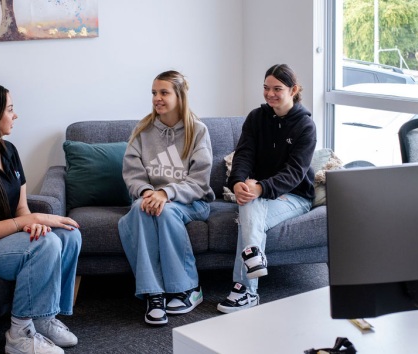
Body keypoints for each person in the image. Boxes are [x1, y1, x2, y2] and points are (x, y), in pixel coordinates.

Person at [0, 83, 82, 354]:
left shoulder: (8, 151)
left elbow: (21, 208)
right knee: (46, 244)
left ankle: (44, 318)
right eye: (10, 109)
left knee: (69, 235)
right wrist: (28, 222)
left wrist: (31, 221)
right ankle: (19, 335)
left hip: (5, 238)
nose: (15, 115)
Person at [216, 64, 316, 313]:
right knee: (250, 202)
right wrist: (238, 182)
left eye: (277, 89)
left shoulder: (305, 126)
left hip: (295, 196)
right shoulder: (256, 118)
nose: (270, 94)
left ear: (293, 90)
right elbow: (244, 155)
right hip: (259, 194)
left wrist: (261, 188)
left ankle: (245, 289)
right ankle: (252, 264)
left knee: (251, 205)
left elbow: (295, 172)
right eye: (266, 88)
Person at [118, 70, 215, 326]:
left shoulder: (198, 131)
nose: (156, 98)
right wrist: (148, 193)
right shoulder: (143, 130)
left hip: (191, 202)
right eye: (153, 93)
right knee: (140, 209)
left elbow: (199, 182)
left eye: (163, 93)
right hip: (151, 198)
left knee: (167, 210)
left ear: (180, 96)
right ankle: (154, 293)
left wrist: (166, 193)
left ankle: (188, 289)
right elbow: (132, 174)